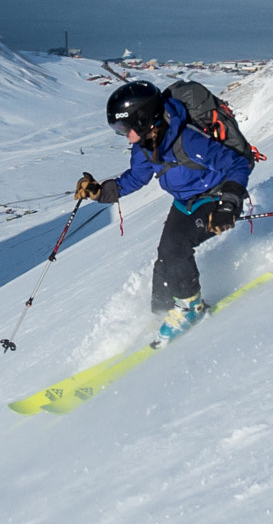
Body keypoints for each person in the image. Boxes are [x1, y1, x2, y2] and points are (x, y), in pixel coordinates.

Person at [76, 80, 253, 339]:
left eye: (125, 128)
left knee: (176, 248)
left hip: (218, 197)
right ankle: (161, 313)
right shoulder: (145, 146)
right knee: (165, 259)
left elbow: (237, 164)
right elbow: (136, 177)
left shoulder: (189, 140)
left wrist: (229, 205)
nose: (125, 135)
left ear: (144, 120)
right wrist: (101, 192)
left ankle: (189, 308)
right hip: (185, 201)